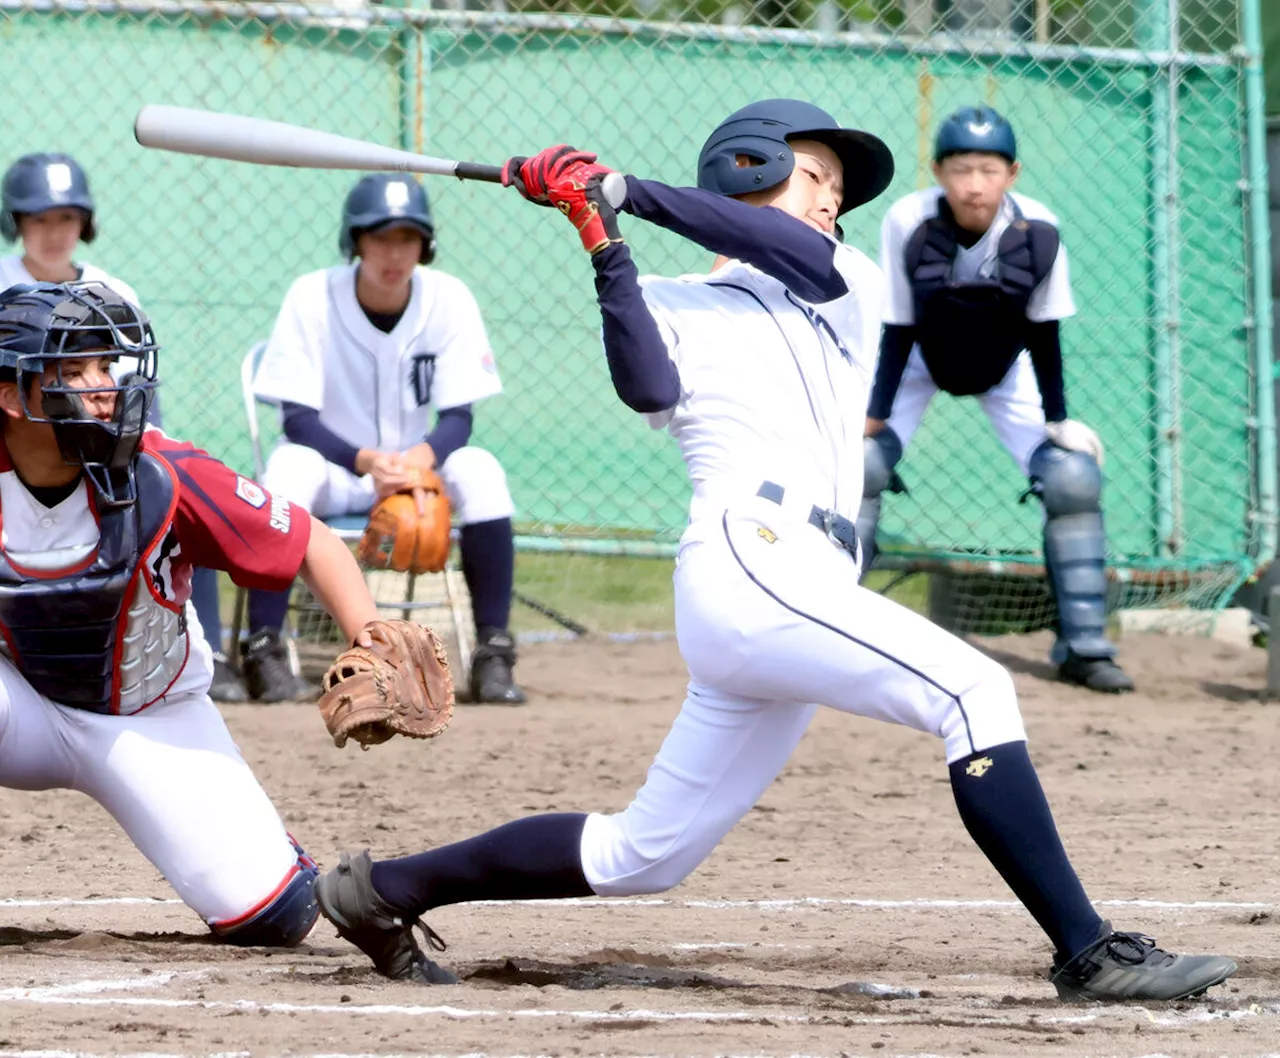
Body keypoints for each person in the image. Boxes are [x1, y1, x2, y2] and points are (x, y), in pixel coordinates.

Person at [308, 102, 1236, 1002]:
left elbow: (788, 248)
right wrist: (601, 236)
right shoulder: (675, 299)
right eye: (817, 175)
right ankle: (1088, 952)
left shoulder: (840, 282)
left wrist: (623, 188)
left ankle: (384, 889)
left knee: (646, 855)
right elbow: (647, 385)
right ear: (749, 165)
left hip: (803, 581)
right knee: (975, 691)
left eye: (838, 186)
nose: (834, 198)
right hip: (750, 558)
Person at [0, 280, 385, 945]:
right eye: (73, 370)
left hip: (151, 716)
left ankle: (271, 857)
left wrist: (372, 639)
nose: (102, 386)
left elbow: (311, 541)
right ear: (10, 395)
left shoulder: (162, 470)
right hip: (21, 707)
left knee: (271, 918)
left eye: (104, 366)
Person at [855, 107, 1133, 694]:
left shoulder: (1039, 227)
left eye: (987, 169)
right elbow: (899, 326)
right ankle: (828, 634)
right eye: (959, 169)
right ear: (937, 171)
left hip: (1008, 368)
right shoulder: (909, 218)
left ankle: (1084, 648)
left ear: (1012, 172)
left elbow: (1044, 330)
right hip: (922, 361)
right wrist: (874, 415)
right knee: (858, 466)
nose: (973, 184)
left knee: (1072, 479)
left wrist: (1057, 420)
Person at [245, 173, 525, 705]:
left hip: (413, 477)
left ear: (426, 244)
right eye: (380, 237)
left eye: (408, 238)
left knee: (482, 470)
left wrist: (420, 460)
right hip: (335, 469)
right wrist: (365, 460)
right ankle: (264, 649)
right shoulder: (312, 295)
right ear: (356, 241)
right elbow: (296, 420)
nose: (394, 252)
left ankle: (493, 653)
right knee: (286, 473)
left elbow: (459, 417)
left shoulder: (448, 298)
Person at [0, 151, 245, 702]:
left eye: (65, 218)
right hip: (25, 457)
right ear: (16, 223)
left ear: (83, 224)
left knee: (177, 499)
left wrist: (135, 452)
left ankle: (214, 649)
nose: (54, 232)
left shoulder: (114, 291)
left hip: (102, 448)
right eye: (39, 219)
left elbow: (137, 398)